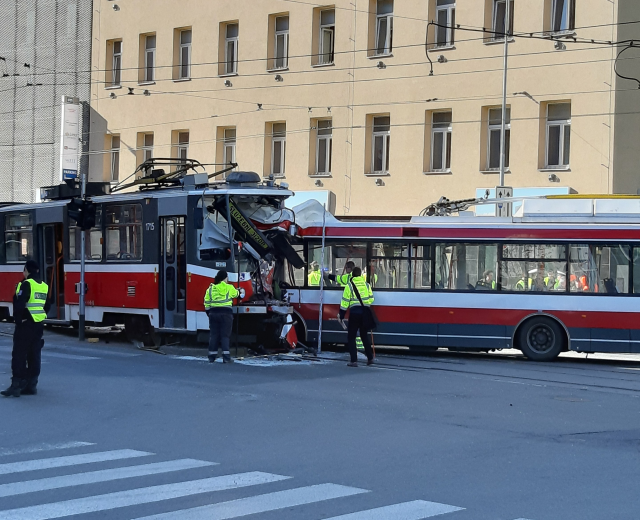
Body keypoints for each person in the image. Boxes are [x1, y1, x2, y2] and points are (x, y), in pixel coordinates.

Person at [1, 260, 49, 397]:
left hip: (26, 324)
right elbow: (47, 306)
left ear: (26, 270)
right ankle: (31, 385)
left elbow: (19, 304)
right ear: (38, 271)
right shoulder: (44, 286)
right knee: (34, 354)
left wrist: (18, 320)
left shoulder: (26, 284)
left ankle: (16, 385)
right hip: (38, 325)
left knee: (19, 354)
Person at [338, 266, 375, 367]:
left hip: (354, 314)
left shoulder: (349, 286)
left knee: (351, 337)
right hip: (365, 313)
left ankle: (354, 361)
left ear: (353, 275)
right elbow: (371, 299)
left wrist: (341, 315)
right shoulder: (367, 285)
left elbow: (345, 302)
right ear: (360, 274)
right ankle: (370, 358)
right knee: (364, 336)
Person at [204, 270, 239, 363]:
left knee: (214, 335)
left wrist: (209, 313)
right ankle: (226, 358)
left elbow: (206, 302)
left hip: (213, 314)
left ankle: (211, 356)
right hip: (226, 314)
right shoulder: (229, 287)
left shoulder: (210, 289)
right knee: (225, 336)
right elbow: (237, 294)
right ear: (225, 278)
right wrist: (239, 291)